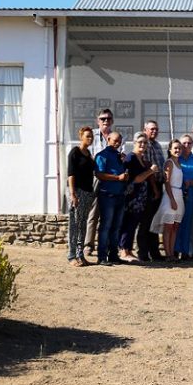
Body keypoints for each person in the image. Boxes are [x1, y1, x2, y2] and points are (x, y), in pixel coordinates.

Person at [84, 108, 120, 256]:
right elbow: (87, 155)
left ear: (112, 121)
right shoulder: (92, 135)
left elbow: (120, 156)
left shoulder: (116, 137)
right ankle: (88, 245)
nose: (106, 121)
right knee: (93, 213)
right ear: (97, 121)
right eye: (103, 119)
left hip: (111, 180)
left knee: (109, 216)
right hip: (95, 177)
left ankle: (106, 247)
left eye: (108, 119)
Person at [119, 132, 159, 263]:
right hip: (132, 197)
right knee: (128, 223)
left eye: (145, 142)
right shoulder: (131, 158)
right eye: (140, 142)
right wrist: (151, 171)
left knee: (133, 224)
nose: (143, 144)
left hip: (140, 198)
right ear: (134, 143)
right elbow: (136, 179)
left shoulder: (141, 158)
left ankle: (129, 250)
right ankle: (124, 251)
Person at [94, 131, 128, 266]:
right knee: (106, 226)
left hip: (120, 194)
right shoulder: (102, 155)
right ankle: (102, 256)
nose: (117, 143)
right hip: (107, 194)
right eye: (115, 140)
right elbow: (99, 174)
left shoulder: (119, 156)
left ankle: (113, 255)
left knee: (116, 227)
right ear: (108, 139)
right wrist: (117, 178)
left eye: (119, 141)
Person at [150, 139, 185, 261]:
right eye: (175, 148)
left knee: (175, 226)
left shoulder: (179, 163)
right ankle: (168, 254)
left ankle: (172, 253)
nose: (177, 150)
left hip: (179, 194)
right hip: (171, 196)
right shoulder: (169, 163)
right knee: (168, 226)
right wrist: (172, 199)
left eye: (179, 148)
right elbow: (167, 182)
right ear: (170, 150)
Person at [67, 126, 96, 266]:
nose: (90, 139)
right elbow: (71, 174)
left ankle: (80, 255)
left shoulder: (89, 154)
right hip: (77, 192)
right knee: (74, 224)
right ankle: (72, 256)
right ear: (81, 137)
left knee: (83, 224)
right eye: (87, 136)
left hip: (88, 193)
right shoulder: (75, 152)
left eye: (91, 136)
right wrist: (73, 194)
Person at [137, 120, 166, 261]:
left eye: (156, 129)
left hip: (159, 184)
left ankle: (154, 251)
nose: (154, 131)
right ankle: (143, 251)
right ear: (145, 130)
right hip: (149, 186)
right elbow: (149, 169)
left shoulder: (157, 145)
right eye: (151, 129)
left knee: (154, 220)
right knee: (145, 220)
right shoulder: (145, 145)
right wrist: (154, 189)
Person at [176, 134, 193, 261]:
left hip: (191, 195)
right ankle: (175, 250)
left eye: (189, 143)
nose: (186, 145)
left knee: (188, 224)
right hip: (177, 194)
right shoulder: (176, 158)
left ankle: (186, 251)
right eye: (184, 143)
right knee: (176, 223)